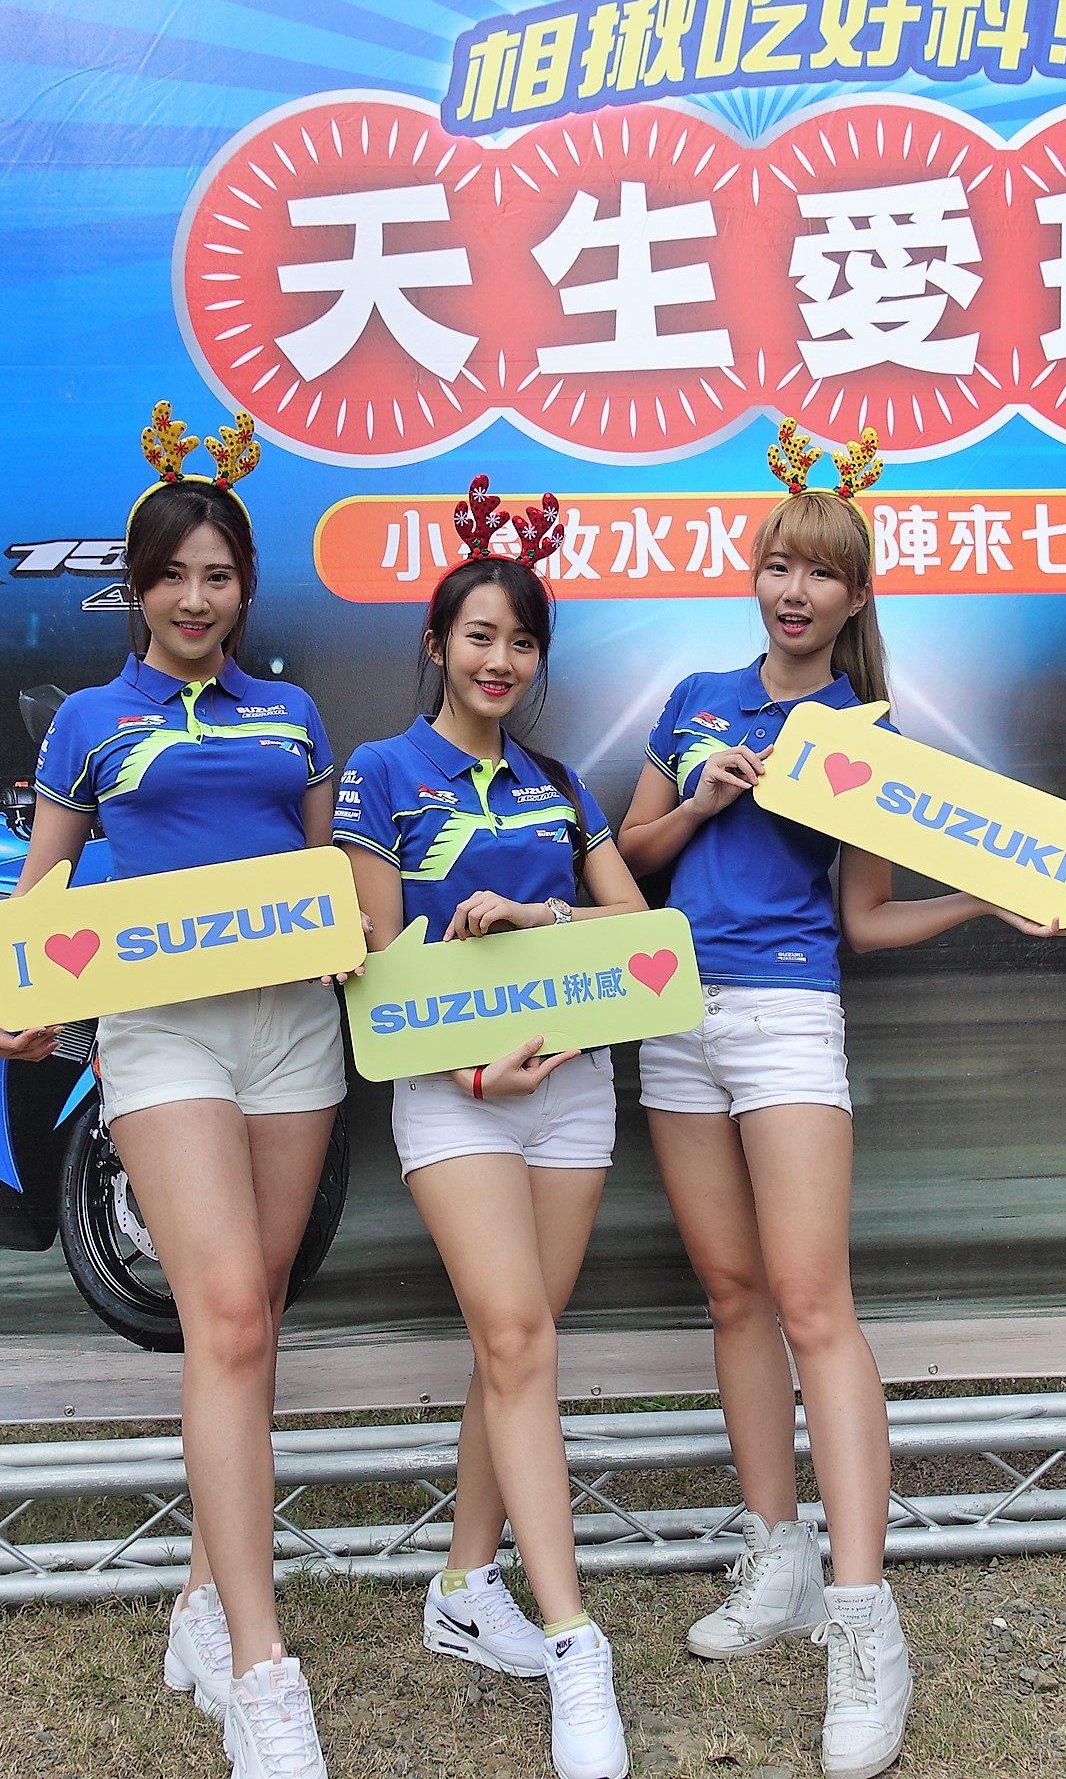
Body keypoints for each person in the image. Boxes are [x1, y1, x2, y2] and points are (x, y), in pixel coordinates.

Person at [612, 423, 1066, 1779]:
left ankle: (865, 1618)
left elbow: (864, 921)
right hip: (673, 1010)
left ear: (854, 597)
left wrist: (985, 898)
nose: (794, 589)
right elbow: (629, 858)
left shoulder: (864, 742)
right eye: (779, 564)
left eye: (820, 572)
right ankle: (776, 1555)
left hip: (784, 1018)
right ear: (754, 574)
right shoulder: (695, 698)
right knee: (730, 1293)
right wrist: (700, 801)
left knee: (812, 1301)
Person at [0, 403, 338, 1778]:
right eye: (171, 574)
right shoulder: (87, 721)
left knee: (255, 1317)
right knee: (223, 1314)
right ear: (134, 588)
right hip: (162, 1032)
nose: (195, 598)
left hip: (293, 1034)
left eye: (217, 574)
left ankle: (198, 1602)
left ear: (246, 587)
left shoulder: (293, 716)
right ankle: (262, 1672)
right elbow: (42, 892)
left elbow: (329, 886)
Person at [332, 479, 641, 1779]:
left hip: (571, 1086)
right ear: (436, 644)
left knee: (516, 1347)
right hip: (451, 1089)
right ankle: (574, 1640)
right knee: (516, 1340)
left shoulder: (561, 785)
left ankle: (466, 1584)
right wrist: (470, 1068)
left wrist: (534, 919)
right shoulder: (379, 774)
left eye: (520, 641)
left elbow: (640, 937)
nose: (499, 659)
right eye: (478, 636)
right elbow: (368, 957)